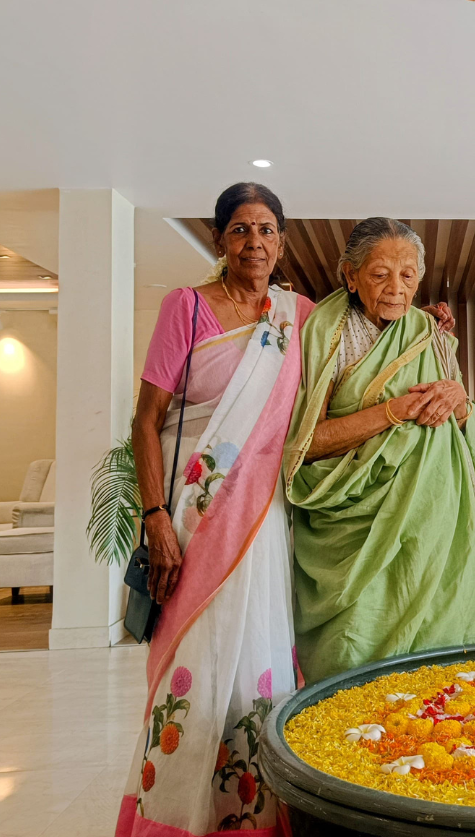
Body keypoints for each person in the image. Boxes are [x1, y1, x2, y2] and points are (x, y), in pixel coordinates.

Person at [117, 183, 315, 836]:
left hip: (264, 523)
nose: (254, 242)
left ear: (281, 241)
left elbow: (364, 343)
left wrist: (425, 321)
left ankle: (254, 809)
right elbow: (147, 421)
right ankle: (178, 811)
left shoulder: (300, 315)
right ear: (218, 240)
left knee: (257, 654)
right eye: (240, 230)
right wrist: (156, 519)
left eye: (265, 230)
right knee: (194, 665)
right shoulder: (187, 309)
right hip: (194, 523)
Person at [284, 217, 475, 684]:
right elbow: (306, 445)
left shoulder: (429, 333)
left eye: (408, 275)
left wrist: (459, 400)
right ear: (349, 275)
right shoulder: (324, 332)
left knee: (444, 668)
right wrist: (393, 411)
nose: (396, 288)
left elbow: (465, 427)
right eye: (379, 274)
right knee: (354, 663)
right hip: (353, 527)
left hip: (435, 525)